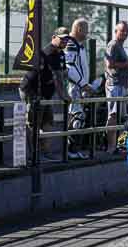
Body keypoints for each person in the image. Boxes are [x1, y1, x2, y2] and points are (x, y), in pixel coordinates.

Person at [19, 28, 72, 162]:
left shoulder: (60, 54)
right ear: (54, 37)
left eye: (67, 39)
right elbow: (57, 77)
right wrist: (64, 96)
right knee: (34, 123)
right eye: (62, 38)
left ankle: (45, 152)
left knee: (48, 123)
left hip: (45, 93)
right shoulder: (48, 52)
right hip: (31, 91)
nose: (65, 41)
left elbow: (63, 74)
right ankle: (34, 156)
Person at [64, 18, 93, 160]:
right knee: (78, 117)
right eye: (86, 30)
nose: (88, 33)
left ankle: (73, 150)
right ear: (80, 29)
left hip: (79, 87)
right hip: (73, 88)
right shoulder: (71, 44)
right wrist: (83, 84)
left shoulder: (78, 45)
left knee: (79, 116)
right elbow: (69, 67)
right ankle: (71, 151)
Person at [105, 21, 128, 152]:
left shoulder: (120, 46)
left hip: (121, 86)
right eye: (122, 31)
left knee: (120, 117)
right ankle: (110, 146)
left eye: (126, 31)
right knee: (113, 115)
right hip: (114, 85)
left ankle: (117, 145)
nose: (125, 33)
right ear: (116, 31)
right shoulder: (113, 44)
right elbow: (109, 64)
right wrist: (126, 64)